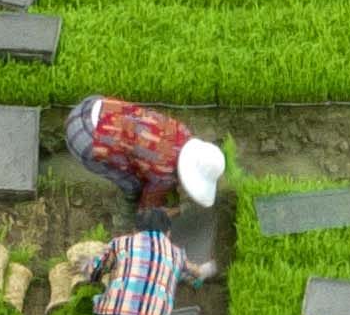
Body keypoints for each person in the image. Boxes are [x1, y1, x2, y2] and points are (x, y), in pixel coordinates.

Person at [60, 93, 227, 267]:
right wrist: (174, 211)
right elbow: (148, 210)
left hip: (92, 107)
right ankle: (122, 223)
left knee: (134, 160)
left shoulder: (182, 132)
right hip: (81, 136)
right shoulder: (163, 173)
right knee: (133, 187)